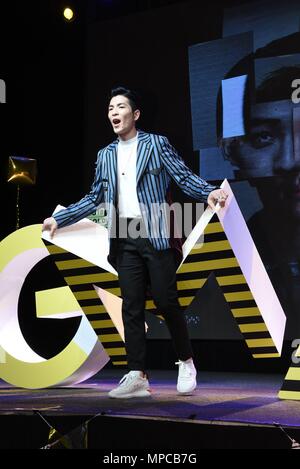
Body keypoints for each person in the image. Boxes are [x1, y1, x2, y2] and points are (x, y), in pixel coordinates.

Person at [42, 86, 227, 398]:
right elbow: (95, 197)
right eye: (110, 107)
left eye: (120, 107)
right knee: (131, 307)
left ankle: (186, 361)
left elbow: (181, 177)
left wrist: (207, 191)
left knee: (166, 301)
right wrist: (61, 218)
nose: (114, 112)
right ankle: (137, 374)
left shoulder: (156, 144)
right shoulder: (105, 155)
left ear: (135, 114)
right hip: (123, 237)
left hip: (155, 233)